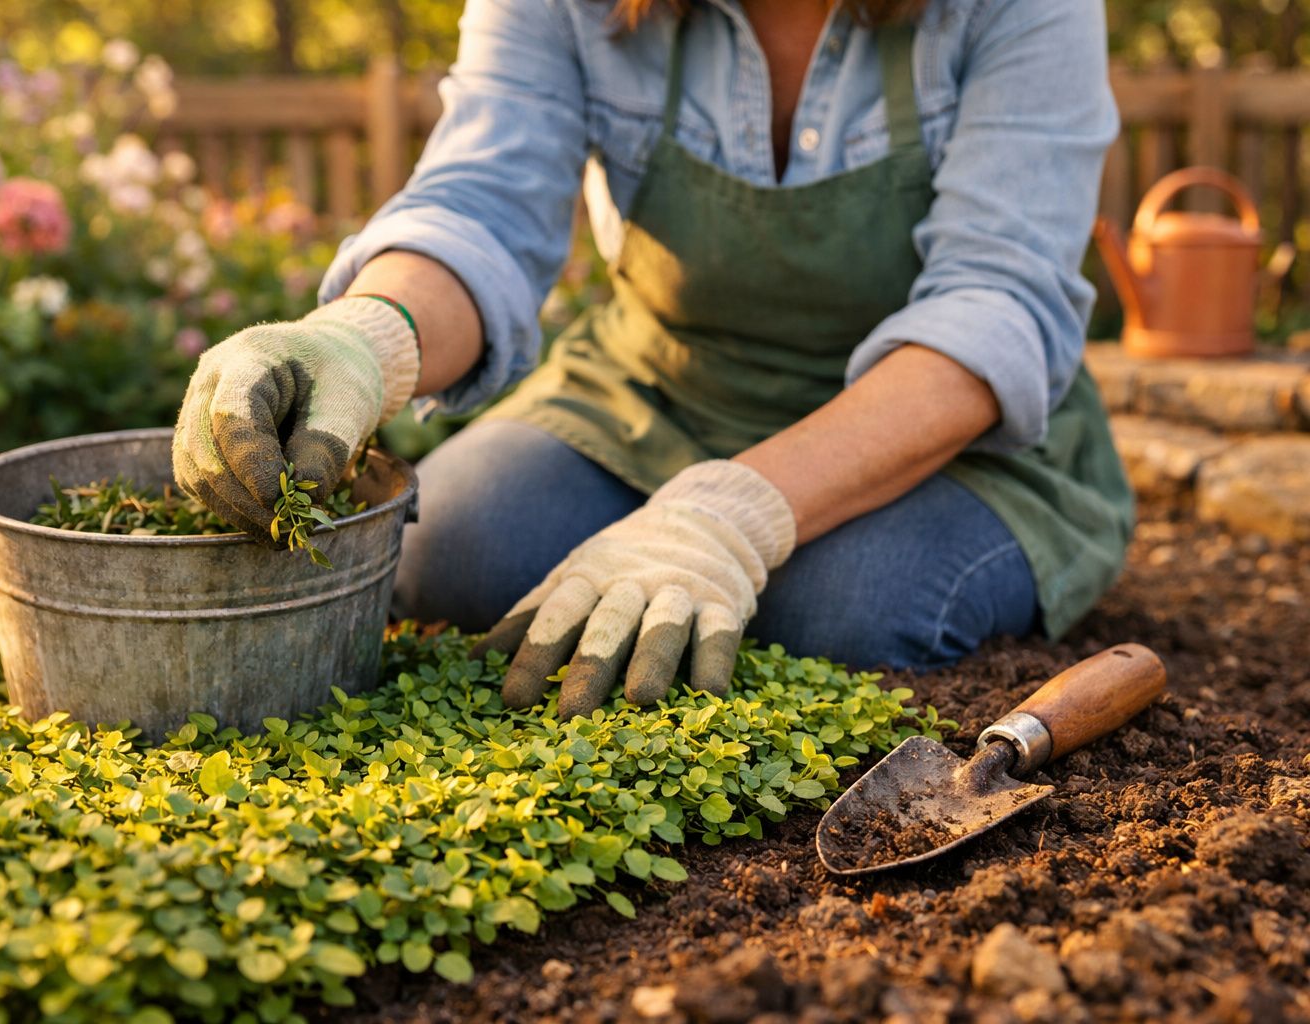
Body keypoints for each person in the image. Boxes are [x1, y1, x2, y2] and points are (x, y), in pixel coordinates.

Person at [173, 0, 1131, 718]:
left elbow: (995, 302)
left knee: (845, 613)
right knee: (455, 547)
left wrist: (731, 515)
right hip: (658, 385)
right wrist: (363, 338)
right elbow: (482, 209)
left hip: (933, 427)